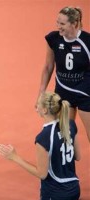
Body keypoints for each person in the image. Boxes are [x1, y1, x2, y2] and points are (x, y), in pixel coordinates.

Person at [0, 91, 81, 200]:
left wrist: (15, 157)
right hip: (73, 189)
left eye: (38, 105)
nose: (35, 107)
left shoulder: (43, 137)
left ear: (44, 110)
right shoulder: (70, 125)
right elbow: (77, 156)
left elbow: (42, 174)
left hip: (55, 194)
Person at [37, 6, 90, 145]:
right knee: (65, 137)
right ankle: (66, 166)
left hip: (85, 93)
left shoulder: (87, 41)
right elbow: (48, 67)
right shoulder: (53, 39)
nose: (58, 27)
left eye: (62, 24)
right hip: (63, 93)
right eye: (57, 22)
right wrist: (41, 93)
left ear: (75, 24)